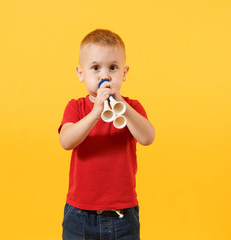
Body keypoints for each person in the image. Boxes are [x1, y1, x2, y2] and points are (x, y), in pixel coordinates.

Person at [58, 29, 155, 240]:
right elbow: (65, 141)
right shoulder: (76, 107)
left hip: (123, 214)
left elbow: (148, 137)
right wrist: (95, 113)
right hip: (80, 213)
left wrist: (122, 106)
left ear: (124, 73)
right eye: (95, 68)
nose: (105, 75)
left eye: (113, 67)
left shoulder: (132, 107)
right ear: (81, 73)